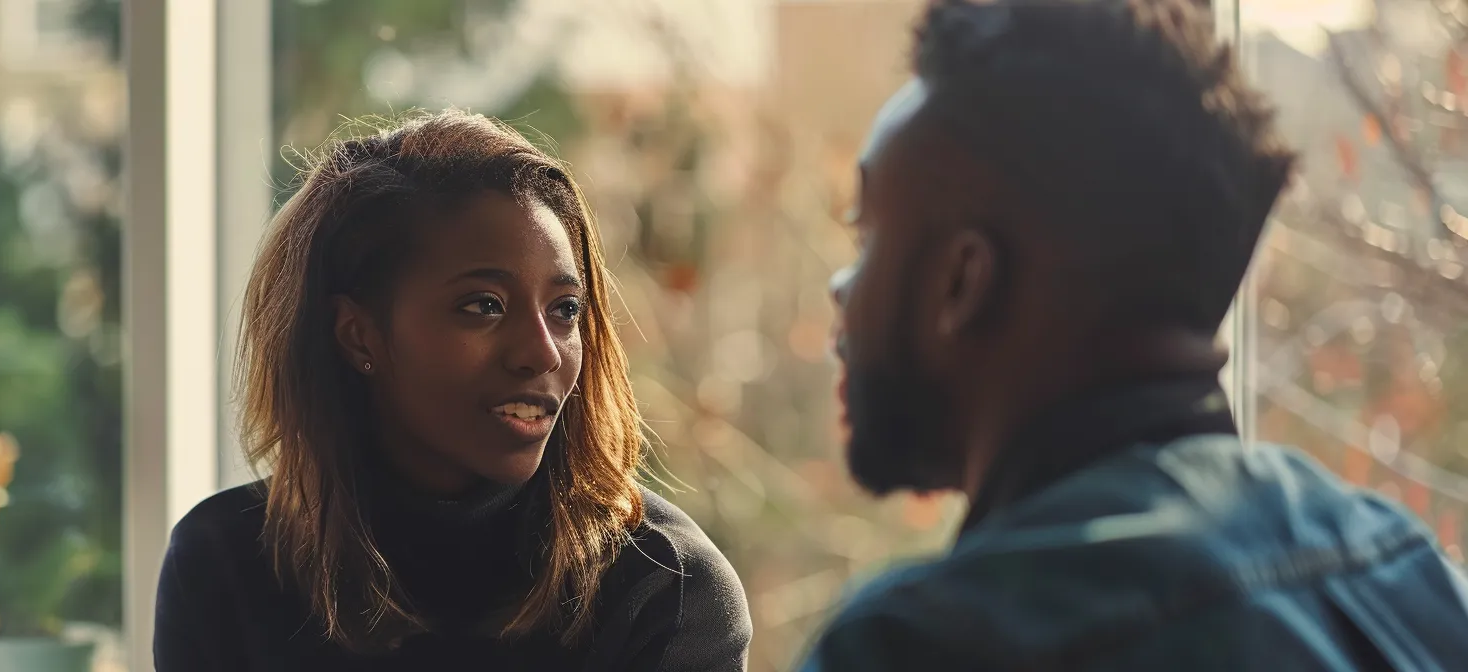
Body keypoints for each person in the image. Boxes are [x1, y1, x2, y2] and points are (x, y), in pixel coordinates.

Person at [803, 0, 1468, 669]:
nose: (841, 288)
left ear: (963, 280)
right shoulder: (1411, 579)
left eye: (865, 235)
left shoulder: (921, 648)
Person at [154, 111, 751, 672]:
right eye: (483, 306)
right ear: (358, 335)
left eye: (565, 309)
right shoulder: (221, 565)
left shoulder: (663, 589)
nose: (541, 352)